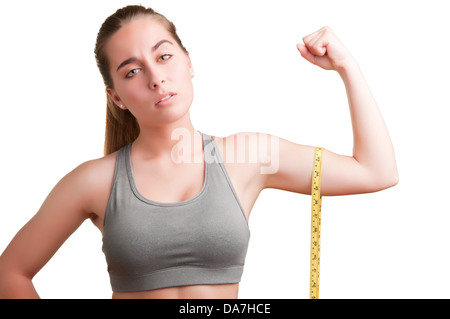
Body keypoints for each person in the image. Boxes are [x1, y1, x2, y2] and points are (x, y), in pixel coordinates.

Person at [0, 5, 398, 299]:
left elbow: (375, 172)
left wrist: (348, 67)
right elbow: (11, 272)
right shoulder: (94, 181)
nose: (156, 78)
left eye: (164, 56)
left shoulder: (247, 156)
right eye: (132, 70)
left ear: (188, 62)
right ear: (116, 96)